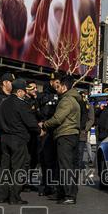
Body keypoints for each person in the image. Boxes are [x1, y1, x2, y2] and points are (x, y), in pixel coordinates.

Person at [40, 74, 83, 204]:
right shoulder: (73, 99)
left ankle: (69, 195)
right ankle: (63, 193)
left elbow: (58, 118)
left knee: (66, 166)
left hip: (65, 135)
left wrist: (44, 125)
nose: (56, 88)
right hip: (71, 135)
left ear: (64, 87)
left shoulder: (66, 100)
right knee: (67, 166)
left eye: (58, 86)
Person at [0, 78, 40, 204]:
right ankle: (14, 197)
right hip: (18, 139)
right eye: (24, 92)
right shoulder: (21, 104)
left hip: (4, 138)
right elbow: (30, 122)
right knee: (18, 168)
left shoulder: (3, 102)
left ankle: (2, 195)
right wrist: (39, 130)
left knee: (4, 167)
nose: (26, 94)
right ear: (20, 91)